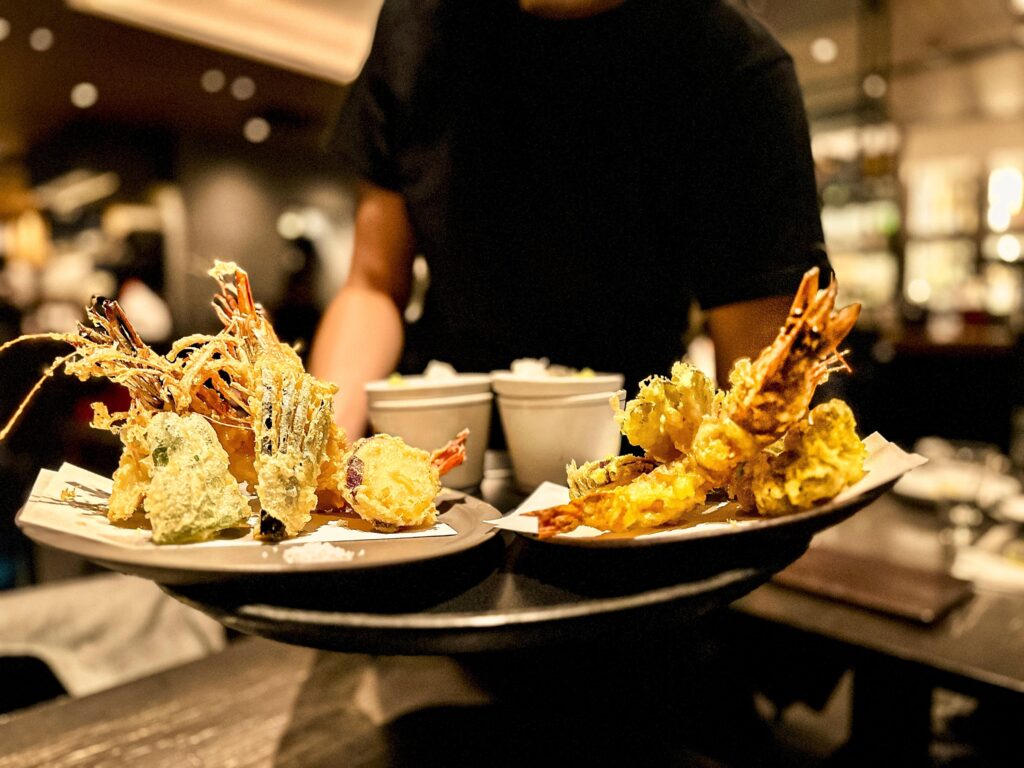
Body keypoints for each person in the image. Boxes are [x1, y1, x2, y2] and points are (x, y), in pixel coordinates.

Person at [309, 0, 830, 440]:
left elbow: (761, 399)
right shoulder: (417, 26)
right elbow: (373, 285)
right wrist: (313, 451)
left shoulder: (733, 62)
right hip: (438, 437)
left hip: (633, 445)